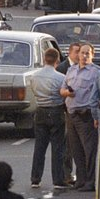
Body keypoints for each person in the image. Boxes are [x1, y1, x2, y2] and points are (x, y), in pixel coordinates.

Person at [61, 42, 100, 191]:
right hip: (71, 114)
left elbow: (99, 94)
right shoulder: (71, 70)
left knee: (89, 150)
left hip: (86, 114)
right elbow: (62, 89)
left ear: (92, 55)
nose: (83, 56)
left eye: (87, 53)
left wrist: (96, 115)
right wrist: (67, 93)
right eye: (82, 53)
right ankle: (81, 180)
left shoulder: (96, 72)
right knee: (76, 149)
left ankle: (90, 181)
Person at [29, 47, 67, 189]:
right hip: (56, 110)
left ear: (44, 59)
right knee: (57, 148)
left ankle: (35, 178)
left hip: (40, 110)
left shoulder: (34, 76)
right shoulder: (61, 77)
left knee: (39, 147)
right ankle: (58, 180)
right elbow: (63, 94)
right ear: (57, 60)